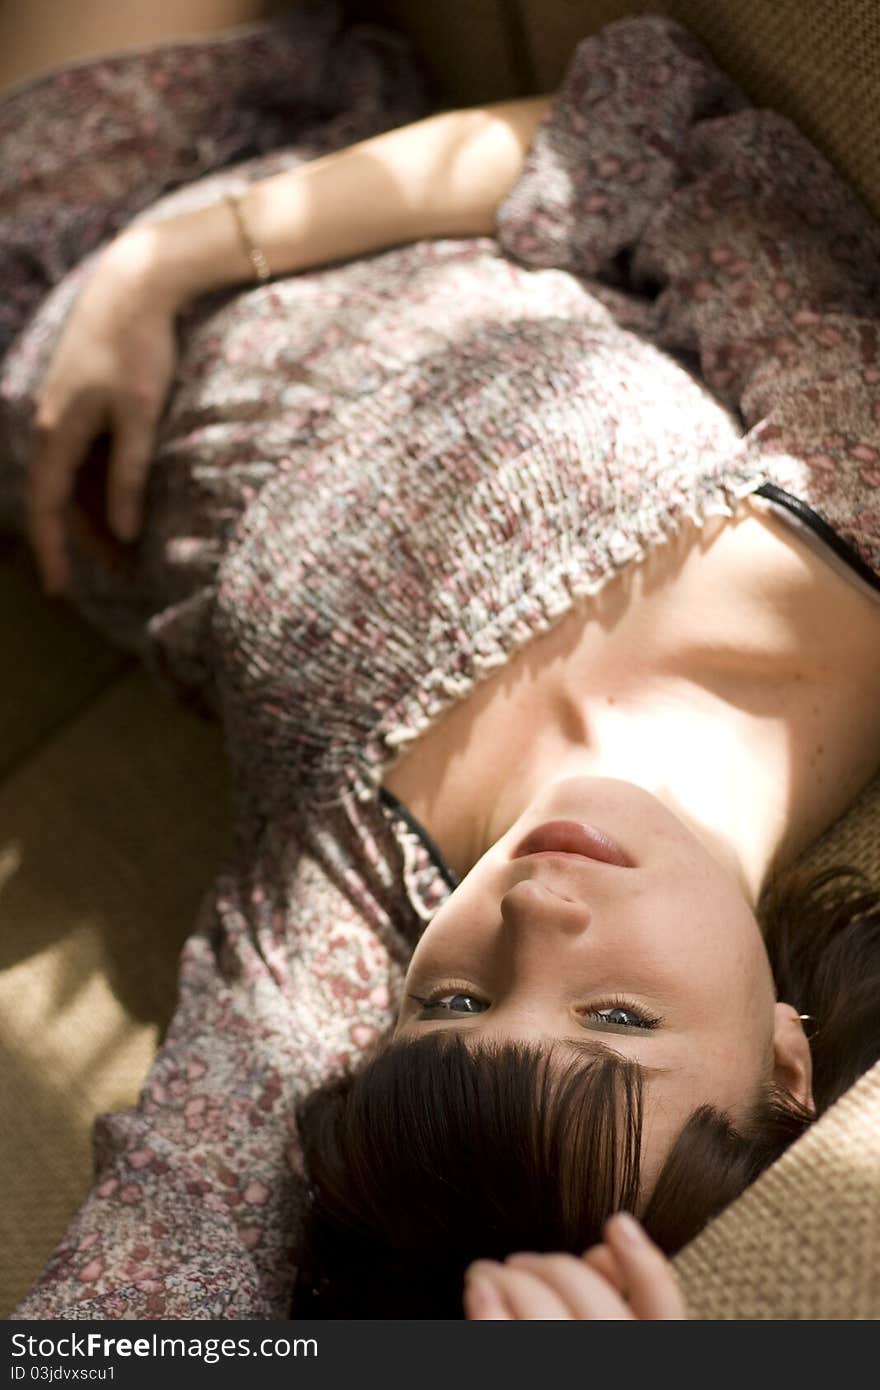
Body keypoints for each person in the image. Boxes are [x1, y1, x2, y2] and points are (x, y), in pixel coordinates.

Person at [3, 1, 880, 1320]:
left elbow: (118, 1333)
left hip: (48, 270)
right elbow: (611, 149)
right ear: (785, 1062)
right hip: (314, 153)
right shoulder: (851, 503)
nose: (535, 913)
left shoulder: (345, 915)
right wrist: (174, 260)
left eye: (455, 999)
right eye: (620, 1019)